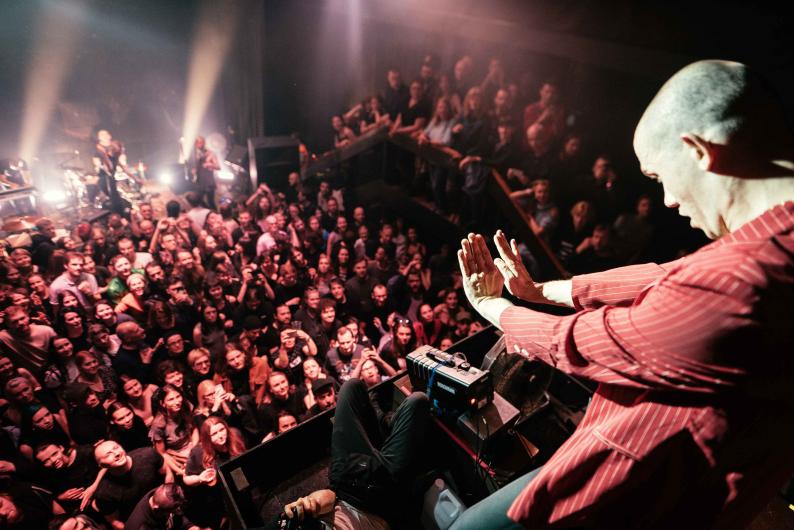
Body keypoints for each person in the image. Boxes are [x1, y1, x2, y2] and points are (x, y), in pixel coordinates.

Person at [451, 60, 794, 529]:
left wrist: (494, 307)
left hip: (635, 492)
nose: (669, 199)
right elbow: (664, 278)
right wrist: (540, 291)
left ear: (697, 150)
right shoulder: (767, 242)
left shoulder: (747, 278)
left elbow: (583, 341)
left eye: (658, 177)